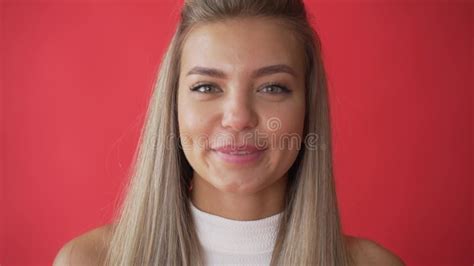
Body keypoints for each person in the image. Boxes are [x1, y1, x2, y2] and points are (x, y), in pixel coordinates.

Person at [54, 0, 405, 265]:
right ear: (172, 106)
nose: (238, 118)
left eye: (272, 88)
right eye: (206, 87)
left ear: (308, 108)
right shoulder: (88, 260)